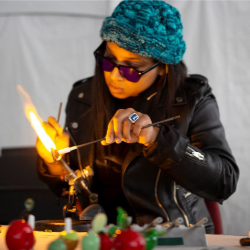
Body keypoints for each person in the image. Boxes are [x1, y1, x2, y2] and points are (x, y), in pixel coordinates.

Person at [36, 0, 239, 233]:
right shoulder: (83, 97)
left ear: (163, 67)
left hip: (172, 237)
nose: (114, 76)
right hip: (100, 236)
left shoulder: (192, 100)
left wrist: (157, 139)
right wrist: (56, 163)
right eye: (108, 59)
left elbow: (224, 182)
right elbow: (73, 189)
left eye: (132, 68)